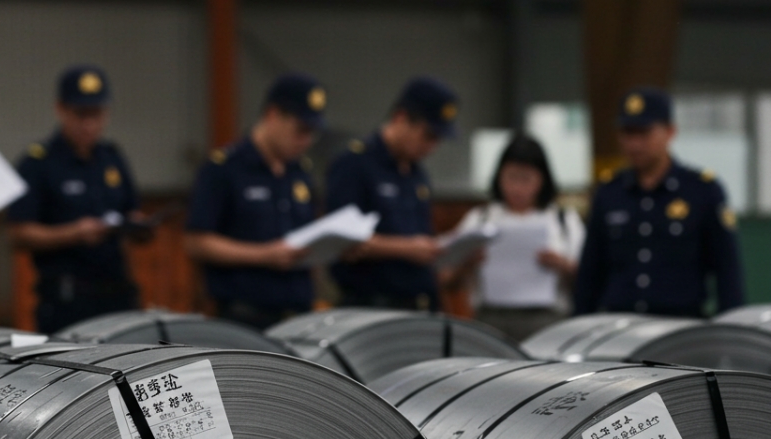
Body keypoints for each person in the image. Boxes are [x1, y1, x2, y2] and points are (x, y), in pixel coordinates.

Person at [575, 87, 745, 317]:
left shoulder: (701, 191)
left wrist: (731, 327)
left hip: (680, 322)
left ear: (670, 132)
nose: (635, 144)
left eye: (644, 133)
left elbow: (727, 271)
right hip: (620, 321)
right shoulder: (609, 193)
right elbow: (590, 272)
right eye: (627, 133)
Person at [8, 65, 150, 335]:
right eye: (80, 114)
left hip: (117, 293)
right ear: (60, 109)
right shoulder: (38, 163)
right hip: (67, 299)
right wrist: (73, 233)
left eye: (96, 114)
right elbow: (19, 233)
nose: (89, 124)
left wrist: (138, 225)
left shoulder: (112, 157)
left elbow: (131, 210)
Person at [184, 73, 325, 330]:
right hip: (245, 319)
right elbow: (197, 242)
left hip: (298, 316)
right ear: (273, 115)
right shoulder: (224, 169)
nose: (305, 141)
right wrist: (264, 255)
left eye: (311, 134)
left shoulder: (300, 172)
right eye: (300, 130)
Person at [325, 77, 458, 311]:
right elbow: (342, 241)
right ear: (401, 118)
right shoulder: (355, 165)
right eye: (428, 136)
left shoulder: (417, 174)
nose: (431, 147)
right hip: (372, 306)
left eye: (437, 140)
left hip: (419, 304)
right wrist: (408, 249)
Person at [451, 134, 585, 341]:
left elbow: (588, 276)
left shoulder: (563, 221)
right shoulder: (480, 218)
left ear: (542, 179)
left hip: (547, 318)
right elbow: (447, 276)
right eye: (511, 177)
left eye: (526, 179)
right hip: (491, 317)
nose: (517, 188)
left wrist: (562, 265)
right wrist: (468, 263)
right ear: (499, 176)